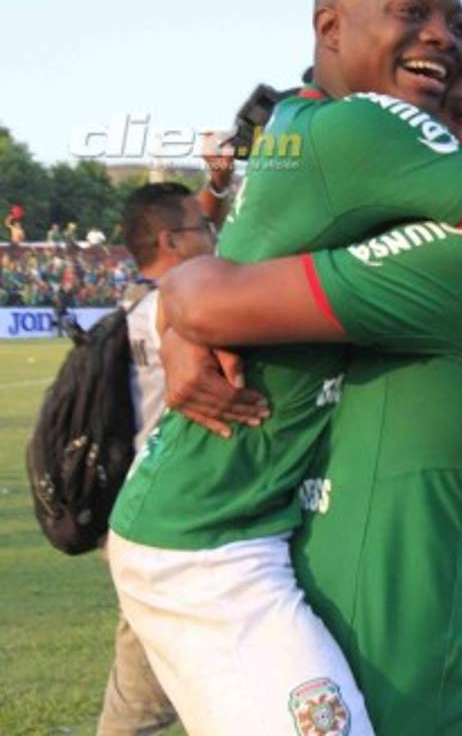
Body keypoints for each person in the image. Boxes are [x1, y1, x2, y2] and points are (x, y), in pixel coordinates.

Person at [108, 0, 462, 736]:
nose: (431, 135)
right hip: (231, 548)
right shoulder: (368, 178)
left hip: (380, 652)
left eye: (458, 116)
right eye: (430, 116)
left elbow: (210, 293)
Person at [97, 177, 236, 736]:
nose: (213, 235)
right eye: (203, 229)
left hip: (144, 513)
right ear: (171, 242)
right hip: (169, 528)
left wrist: (218, 188)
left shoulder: (136, 301)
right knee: (143, 700)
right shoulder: (175, 312)